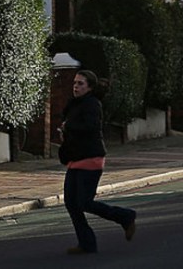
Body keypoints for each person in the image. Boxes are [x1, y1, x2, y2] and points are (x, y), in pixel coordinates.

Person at [58, 69, 137, 255]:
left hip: (91, 158)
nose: (76, 87)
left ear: (90, 87)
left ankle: (125, 216)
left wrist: (69, 127)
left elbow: (90, 127)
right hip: (75, 158)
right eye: (75, 83)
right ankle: (87, 243)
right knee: (71, 203)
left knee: (84, 202)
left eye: (80, 84)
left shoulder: (93, 104)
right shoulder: (73, 104)